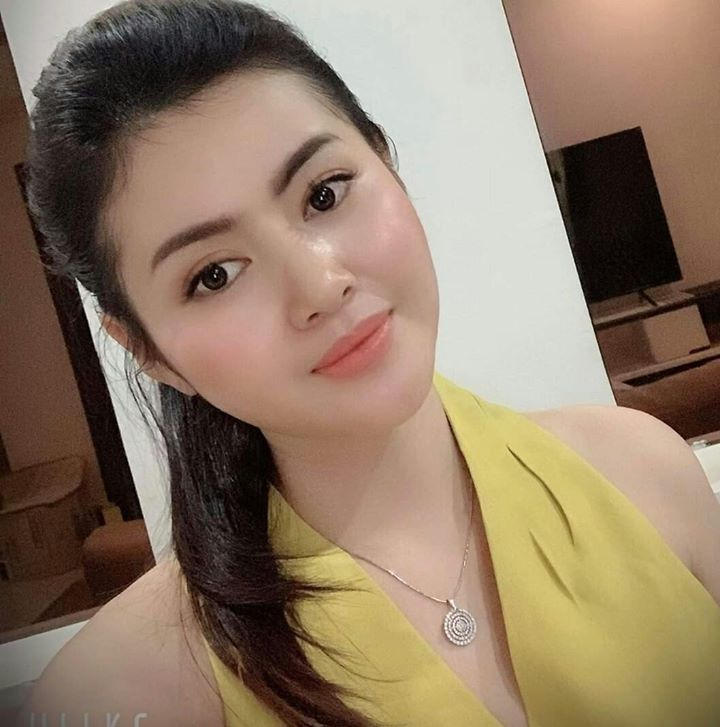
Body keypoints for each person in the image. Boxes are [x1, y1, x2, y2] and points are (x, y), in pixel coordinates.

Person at [17, 1, 720, 725]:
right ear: (150, 352)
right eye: (215, 275)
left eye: (324, 194)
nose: (320, 287)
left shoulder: (644, 474)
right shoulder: (121, 691)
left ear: (387, 163)